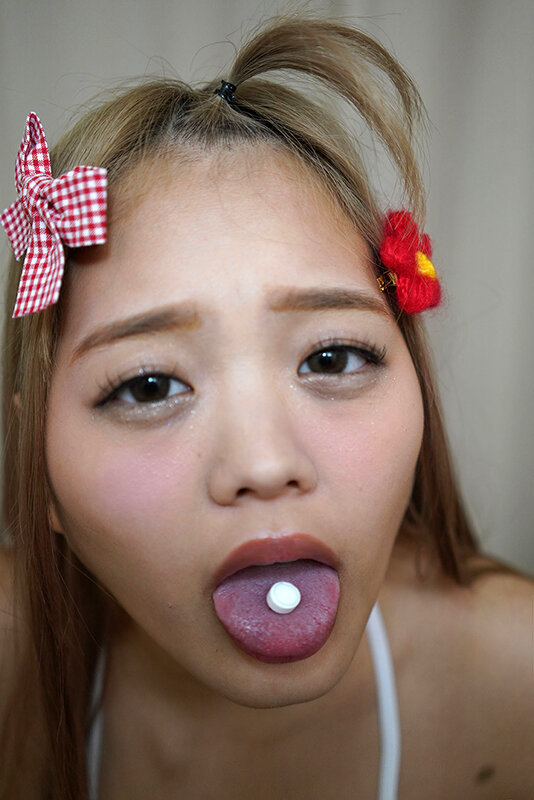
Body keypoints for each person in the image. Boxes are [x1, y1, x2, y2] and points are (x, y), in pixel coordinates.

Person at [0, 16, 532, 800]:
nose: (265, 462)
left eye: (331, 357)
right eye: (148, 386)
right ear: (36, 458)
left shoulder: (518, 678)